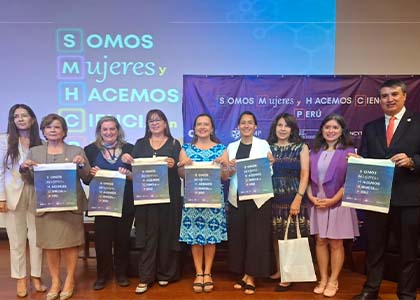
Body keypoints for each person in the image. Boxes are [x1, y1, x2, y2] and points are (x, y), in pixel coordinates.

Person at [352, 79, 420, 300]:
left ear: (404, 96)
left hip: (408, 198)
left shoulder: (418, 122)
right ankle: (371, 290)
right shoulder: (370, 127)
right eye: (384, 96)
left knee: (408, 251)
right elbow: (367, 157)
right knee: (374, 247)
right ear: (379, 100)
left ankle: (407, 294)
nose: (389, 99)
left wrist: (412, 161)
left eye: (394, 94)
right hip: (376, 198)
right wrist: (358, 161)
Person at [20, 114, 91, 300]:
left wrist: (82, 164)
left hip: (70, 207)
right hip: (46, 207)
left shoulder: (76, 150)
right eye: (49, 127)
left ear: (64, 131)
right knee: (51, 246)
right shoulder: (34, 152)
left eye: (57, 127)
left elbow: (87, 177)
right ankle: (55, 281)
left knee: (70, 244)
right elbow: (29, 180)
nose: (52, 130)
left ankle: (69, 281)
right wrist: (24, 169)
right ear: (43, 131)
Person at [121, 109, 182, 294]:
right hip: (146, 199)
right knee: (147, 237)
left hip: (169, 198)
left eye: (158, 120)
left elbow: (181, 171)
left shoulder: (174, 143)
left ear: (165, 123)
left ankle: (165, 274)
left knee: (166, 235)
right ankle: (146, 277)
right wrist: (126, 168)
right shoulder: (139, 144)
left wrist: (174, 164)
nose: (154, 123)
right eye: (150, 121)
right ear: (147, 125)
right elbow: (134, 174)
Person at [307, 113, 359, 298]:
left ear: (342, 131)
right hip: (317, 202)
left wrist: (333, 199)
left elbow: (350, 181)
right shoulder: (313, 151)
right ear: (322, 130)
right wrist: (311, 198)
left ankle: (333, 280)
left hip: (337, 203)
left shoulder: (349, 153)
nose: (331, 131)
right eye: (327, 127)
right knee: (320, 241)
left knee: (336, 243)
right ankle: (323, 278)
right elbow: (305, 178)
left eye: (335, 127)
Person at [177, 113, 229, 293]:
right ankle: (198, 273)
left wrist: (224, 166)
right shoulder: (186, 149)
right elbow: (182, 176)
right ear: (194, 128)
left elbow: (225, 177)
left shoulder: (221, 149)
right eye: (199, 124)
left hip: (214, 200)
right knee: (195, 236)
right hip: (193, 199)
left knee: (211, 236)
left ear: (212, 128)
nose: (202, 127)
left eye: (206, 124)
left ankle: (208, 272)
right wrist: (182, 166)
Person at [84, 116, 134, 290]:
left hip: (125, 203)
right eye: (105, 129)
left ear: (118, 130)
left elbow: (138, 177)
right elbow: (86, 180)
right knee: (102, 242)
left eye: (112, 129)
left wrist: (128, 172)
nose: (109, 132)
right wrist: (91, 173)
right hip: (102, 204)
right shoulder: (89, 150)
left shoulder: (130, 149)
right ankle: (102, 276)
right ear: (99, 131)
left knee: (122, 240)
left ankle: (121, 274)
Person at [227, 111, 274, 295]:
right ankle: (243, 273)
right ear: (238, 127)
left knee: (256, 237)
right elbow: (226, 175)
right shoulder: (231, 146)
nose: (246, 125)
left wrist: (271, 163)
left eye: (250, 122)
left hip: (258, 197)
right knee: (240, 237)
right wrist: (229, 168)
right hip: (237, 196)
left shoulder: (263, 144)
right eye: (243, 123)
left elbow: (268, 170)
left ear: (255, 126)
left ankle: (252, 276)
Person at [0, 104, 45, 297]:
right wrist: (1, 197)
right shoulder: (3, 141)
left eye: (24, 115)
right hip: (13, 195)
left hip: (36, 194)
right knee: (16, 240)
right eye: (16, 116)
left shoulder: (41, 142)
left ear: (32, 119)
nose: (20, 119)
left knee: (37, 239)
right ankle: (20, 278)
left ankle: (36, 276)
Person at [266, 113, 310, 292]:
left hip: (293, 198)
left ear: (292, 129)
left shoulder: (301, 147)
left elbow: (305, 174)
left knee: (291, 237)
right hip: (273, 198)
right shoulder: (267, 148)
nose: (282, 129)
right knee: (277, 237)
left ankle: (289, 275)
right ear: (274, 128)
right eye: (279, 125)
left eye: (286, 126)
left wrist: (298, 198)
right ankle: (280, 270)